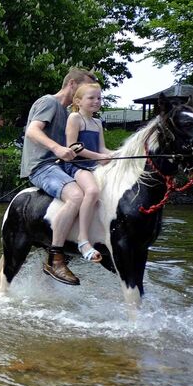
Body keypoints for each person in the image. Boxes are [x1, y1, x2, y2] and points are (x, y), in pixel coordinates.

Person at [20, 67, 99, 286]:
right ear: (72, 85)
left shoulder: (68, 113)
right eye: (83, 88)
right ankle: (55, 259)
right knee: (75, 196)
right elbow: (32, 131)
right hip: (42, 166)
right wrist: (56, 148)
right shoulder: (49, 102)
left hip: (60, 167)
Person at [64, 83, 114, 264]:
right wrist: (100, 156)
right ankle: (83, 239)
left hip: (94, 167)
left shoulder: (98, 122)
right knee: (92, 191)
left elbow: (102, 148)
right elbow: (72, 147)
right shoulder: (75, 118)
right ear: (78, 101)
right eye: (91, 98)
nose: (96, 101)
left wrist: (114, 154)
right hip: (77, 166)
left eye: (99, 98)